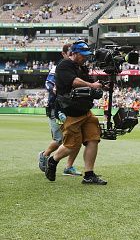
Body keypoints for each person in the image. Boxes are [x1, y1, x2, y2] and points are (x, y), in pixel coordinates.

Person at [44, 41, 107, 185]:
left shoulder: (81, 67)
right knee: (72, 145)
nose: (85, 58)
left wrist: (101, 85)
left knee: (93, 139)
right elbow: (74, 81)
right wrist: (91, 85)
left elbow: (89, 81)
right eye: (83, 55)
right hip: (72, 112)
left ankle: (89, 175)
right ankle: (52, 161)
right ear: (75, 53)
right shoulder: (64, 65)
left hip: (85, 111)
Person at [38, 43, 82, 177]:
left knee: (76, 138)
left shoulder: (77, 68)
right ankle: (45, 155)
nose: (71, 55)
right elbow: (48, 84)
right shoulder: (57, 68)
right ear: (63, 54)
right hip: (55, 107)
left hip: (71, 108)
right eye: (69, 52)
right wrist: (55, 89)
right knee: (59, 139)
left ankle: (68, 166)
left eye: (72, 52)